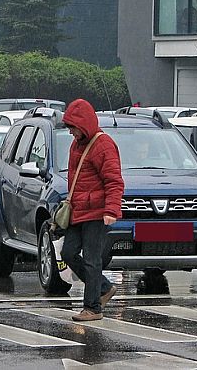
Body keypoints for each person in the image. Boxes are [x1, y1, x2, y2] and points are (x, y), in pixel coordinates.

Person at [61, 99, 124, 321]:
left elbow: (114, 181)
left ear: (83, 124)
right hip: (79, 211)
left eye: (72, 127)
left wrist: (111, 210)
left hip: (97, 213)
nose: (71, 132)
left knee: (91, 258)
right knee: (67, 253)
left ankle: (93, 308)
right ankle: (104, 288)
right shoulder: (77, 144)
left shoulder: (103, 145)